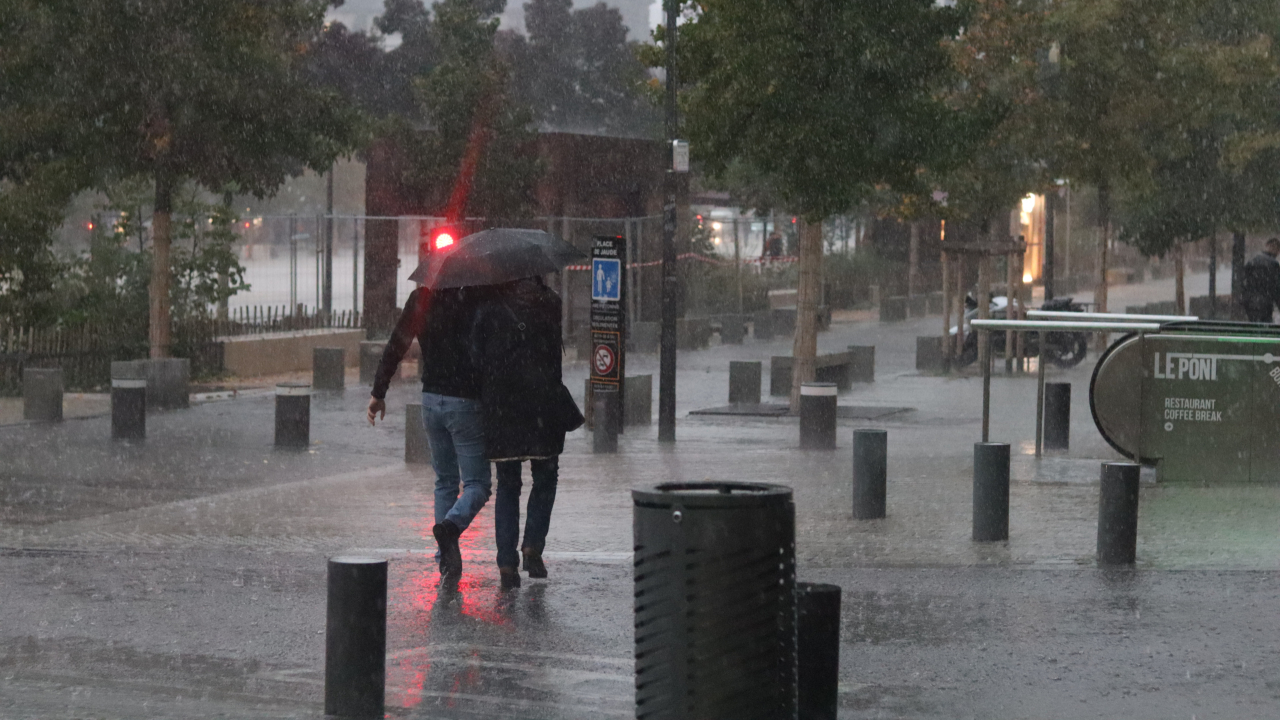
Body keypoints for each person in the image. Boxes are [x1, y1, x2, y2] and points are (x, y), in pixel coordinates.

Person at [367, 286, 490, 579]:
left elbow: (397, 342)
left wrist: (378, 391)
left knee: (445, 481)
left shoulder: (423, 296)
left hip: (431, 399)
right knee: (478, 484)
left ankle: (445, 560)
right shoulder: (476, 295)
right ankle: (450, 528)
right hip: (466, 401)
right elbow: (490, 346)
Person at [469, 275, 582, 589]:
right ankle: (533, 544)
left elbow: (476, 357)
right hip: (542, 404)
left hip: (502, 408)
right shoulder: (551, 301)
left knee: (508, 484)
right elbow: (555, 356)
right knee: (546, 476)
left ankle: (506, 562)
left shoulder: (488, 307)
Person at [1241, 238, 1280, 323]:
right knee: (1266, 328)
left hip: (1250, 303)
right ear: (1277, 250)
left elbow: (1244, 283)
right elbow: (1276, 288)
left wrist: (1245, 300)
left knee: (1254, 326)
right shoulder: (1274, 264)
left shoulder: (1252, 261)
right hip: (1265, 304)